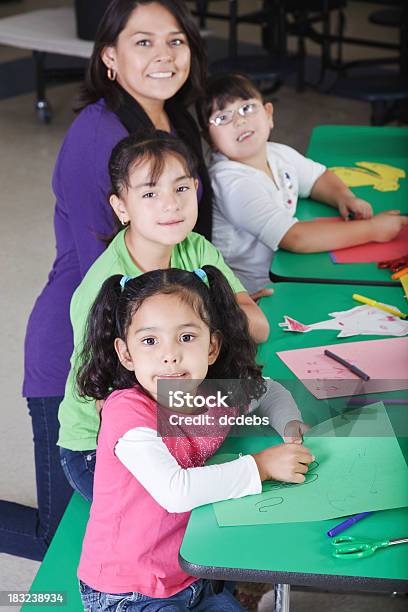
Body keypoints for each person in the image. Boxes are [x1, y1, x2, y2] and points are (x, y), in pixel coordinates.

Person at [0, 0, 214, 562]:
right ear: (109, 57)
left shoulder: (173, 117)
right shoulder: (99, 133)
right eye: (143, 42)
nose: (164, 55)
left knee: (139, 513)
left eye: (176, 40)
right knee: (63, 540)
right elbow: (114, 278)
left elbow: (180, 237)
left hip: (149, 342)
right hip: (81, 349)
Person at [75, 266, 313, 611]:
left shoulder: (211, 395)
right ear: (126, 354)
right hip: (127, 591)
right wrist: (261, 466)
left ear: (212, 345)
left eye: (186, 337)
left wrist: (292, 427)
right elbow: (176, 490)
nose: (169, 355)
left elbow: (270, 392)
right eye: (149, 341)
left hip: (191, 574)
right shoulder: (126, 412)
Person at [58, 131, 270, 502]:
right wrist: (207, 317)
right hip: (102, 445)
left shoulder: (195, 247)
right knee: (185, 519)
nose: (170, 205)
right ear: (121, 207)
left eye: (181, 189)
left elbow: (259, 327)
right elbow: (103, 397)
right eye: (150, 193)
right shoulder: (103, 288)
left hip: (178, 420)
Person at [197, 73, 408, 295]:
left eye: (247, 108)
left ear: (269, 114)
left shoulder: (277, 153)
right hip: (256, 293)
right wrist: (373, 229)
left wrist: (344, 197)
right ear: (210, 139)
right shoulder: (230, 181)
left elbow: (317, 177)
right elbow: (295, 238)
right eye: (222, 118)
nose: (239, 121)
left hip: (286, 270)